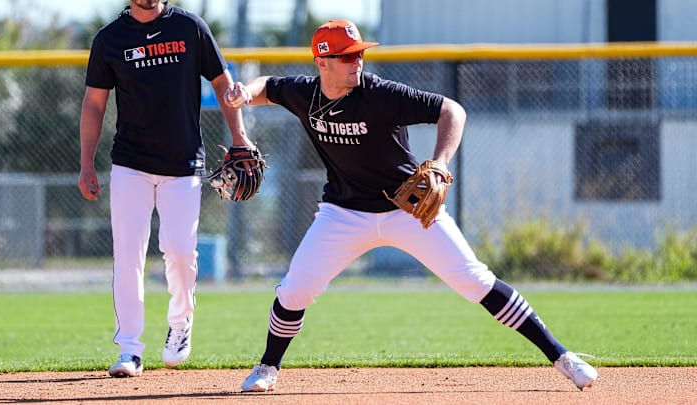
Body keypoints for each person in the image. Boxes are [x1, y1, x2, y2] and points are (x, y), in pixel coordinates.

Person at [223, 19, 599, 392]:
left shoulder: (381, 95)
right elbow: (268, 87)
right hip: (343, 213)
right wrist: (243, 92)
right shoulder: (304, 93)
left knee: (474, 280)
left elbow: (452, 110)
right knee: (294, 290)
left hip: (408, 210)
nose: (358, 62)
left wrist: (440, 163)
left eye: (359, 54)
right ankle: (268, 367)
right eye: (347, 57)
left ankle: (562, 357)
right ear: (322, 62)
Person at [78, 0, 254, 378]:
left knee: (179, 251)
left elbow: (223, 82)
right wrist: (86, 163)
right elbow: (94, 102)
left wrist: (240, 137)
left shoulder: (190, 27)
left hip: (183, 162)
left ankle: (180, 322)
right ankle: (129, 349)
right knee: (128, 255)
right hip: (130, 163)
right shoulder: (110, 38)